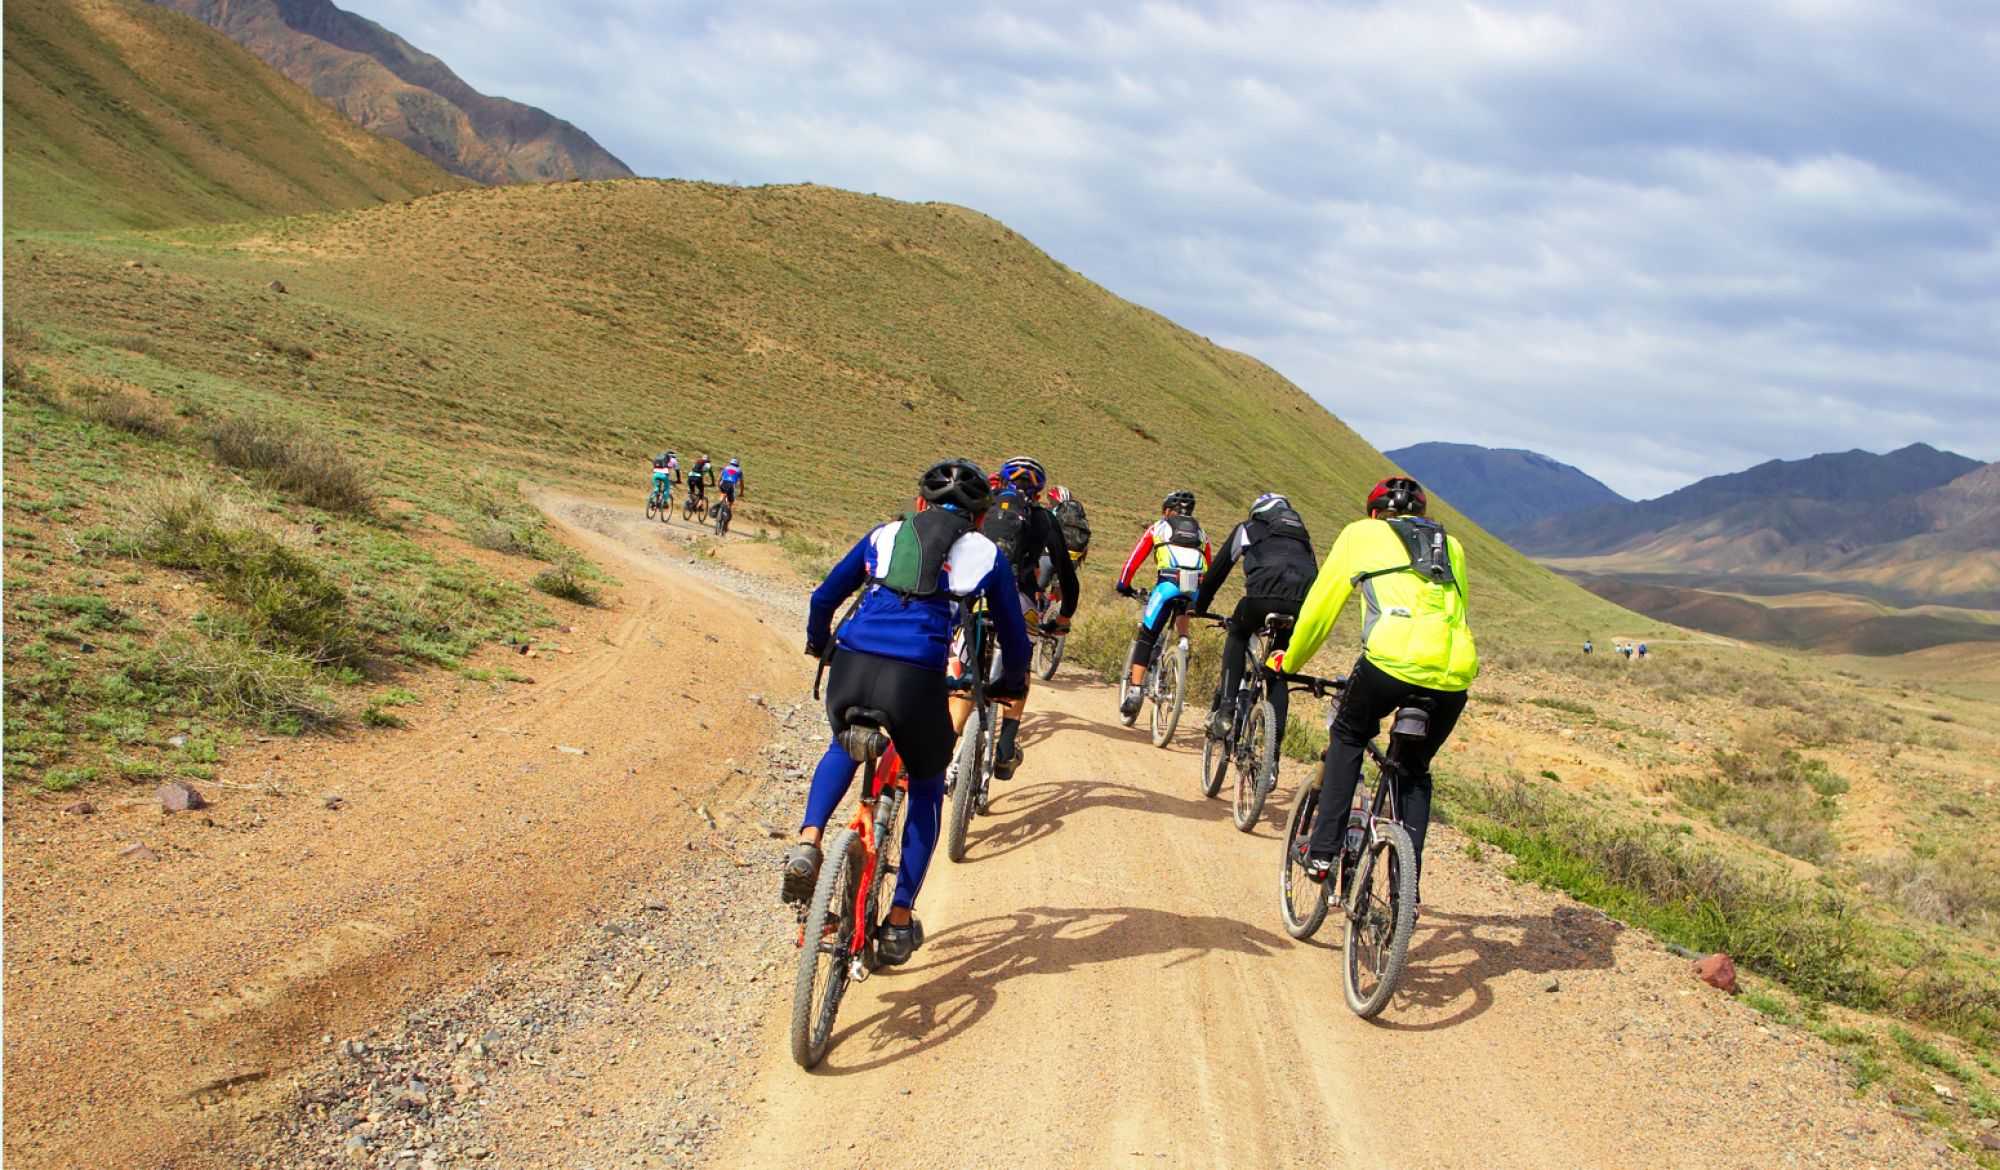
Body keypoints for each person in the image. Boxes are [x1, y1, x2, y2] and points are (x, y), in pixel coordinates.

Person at [787, 460, 1030, 964]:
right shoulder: (985, 553)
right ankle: (898, 921)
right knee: (925, 783)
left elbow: (825, 596)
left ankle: (809, 843)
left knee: (843, 744)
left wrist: (818, 646)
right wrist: (1008, 685)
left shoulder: (885, 533)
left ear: (920, 503)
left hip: (851, 667)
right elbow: (1013, 636)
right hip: (915, 679)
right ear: (980, 519)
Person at [1266, 476, 1475, 902]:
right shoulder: (1449, 545)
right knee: (1413, 771)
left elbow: (1321, 607)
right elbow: (1460, 611)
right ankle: (1405, 892)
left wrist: (1291, 660)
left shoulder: (1361, 533)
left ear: (1376, 513)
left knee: (1348, 734)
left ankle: (1322, 852)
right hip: (1454, 674)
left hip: (1389, 663)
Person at [948, 456, 1079, 780]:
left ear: (1002, 482)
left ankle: (948, 742)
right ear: (1038, 492)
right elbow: (1068, 579)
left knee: (967, 670)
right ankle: (1006, 745)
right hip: (1021, 600)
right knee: (1020, 663)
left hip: (975, 596)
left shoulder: (985, 506)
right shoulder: (1044, 519)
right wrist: (1062, 619)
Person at [1193, 493, 1318, 742]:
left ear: (1257, 513)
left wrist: (1200, 606)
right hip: (1301, 603)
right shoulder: (1304, 538)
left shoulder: (1248, 528)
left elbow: (1216, 572)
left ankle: (1227, 710)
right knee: (1278, 664)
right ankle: (1273, 754)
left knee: (1238, 634)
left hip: (1261, 597)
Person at [1115, 490, 1211, 719]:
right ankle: (1183, 643)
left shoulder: (1158, 527)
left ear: (1168, 511)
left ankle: (1135, 692)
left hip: (1167, 585)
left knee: (1147, 637)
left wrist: (1124, 585)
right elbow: (1209, 564)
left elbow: (1134, 559)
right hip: (1196, 589)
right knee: (1184, 602)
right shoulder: (1200, 533)